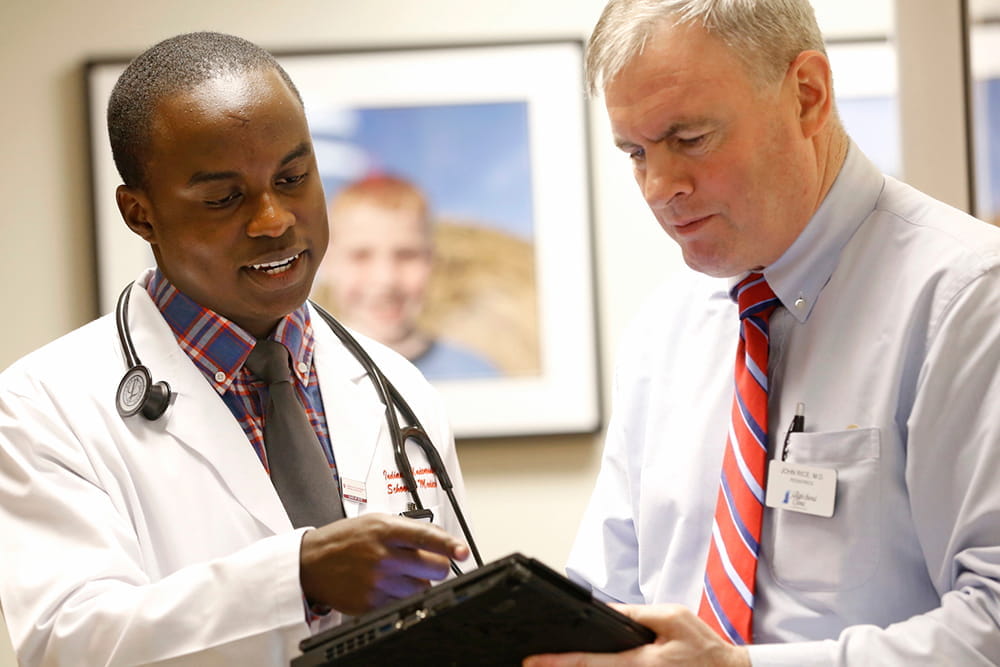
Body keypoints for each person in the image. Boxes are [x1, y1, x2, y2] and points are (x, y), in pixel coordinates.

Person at [526, 0, 1000, 665]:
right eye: (636, 152)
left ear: (808, 96)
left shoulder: (967, 298)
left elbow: (994, 622)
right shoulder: (665, 329)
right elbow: (608, 591)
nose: (661, 186)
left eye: (689, 138)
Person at [0, 32, 472, 666]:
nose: (273, 219)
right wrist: (293, 578)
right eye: (224, 197)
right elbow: (64, 643)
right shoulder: (40, 407)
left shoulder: (395, 385)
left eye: (293, 178)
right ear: (141, 215)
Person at [319, 174, 499, 379]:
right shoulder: (305, 375)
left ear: (431, 260)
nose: (385, 279)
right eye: (361, 256)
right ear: (327, 261)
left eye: (406, 255)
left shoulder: (476, 375)